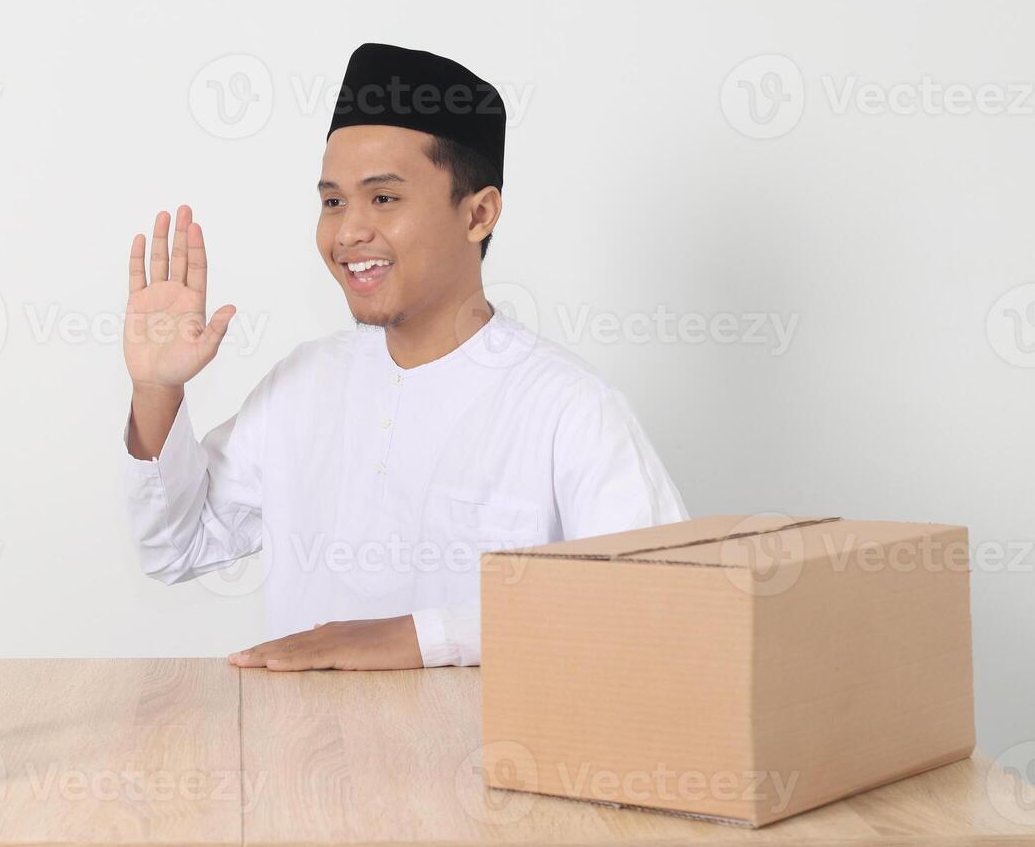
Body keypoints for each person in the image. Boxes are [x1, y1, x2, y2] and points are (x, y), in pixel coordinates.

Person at [120, 43, 687, 671]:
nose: (348, 232)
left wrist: (418, 636)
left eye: (383, 199)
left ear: (479, 213)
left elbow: (655, 608)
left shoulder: (568, 407)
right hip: (306, 756)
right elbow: (176, 546)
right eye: (333, 201)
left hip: (489, 762)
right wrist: (156, 390)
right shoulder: (302, 385)